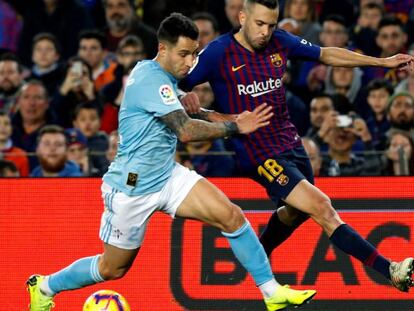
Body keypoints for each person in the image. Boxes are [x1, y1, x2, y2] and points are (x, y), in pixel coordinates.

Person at [26, 13, 316, 311]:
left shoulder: (162, 76)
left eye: (193, 54)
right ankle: (44, 286)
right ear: (162, 49)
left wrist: (234, 118)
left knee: (232, 216)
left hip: (167, 176)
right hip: (131, 188)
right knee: (111, 269)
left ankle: (271, 293)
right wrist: (235, 127)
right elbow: (186, 130)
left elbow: (198, 112)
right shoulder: (150, 79)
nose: (190, 62)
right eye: (183, 54)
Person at [180, 0, 414, 293]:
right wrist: (183, 95)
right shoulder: (218, 52)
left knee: (295, 212)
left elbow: (325, 54)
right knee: (322, 208)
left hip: (290, 143)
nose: (266, 32)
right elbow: (174, 79)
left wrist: (381, 62)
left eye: (271, 24)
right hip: (257, 152)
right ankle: (390, 269)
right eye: (259, 24)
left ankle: (257, 255)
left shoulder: (280, 41)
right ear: (242, 17)